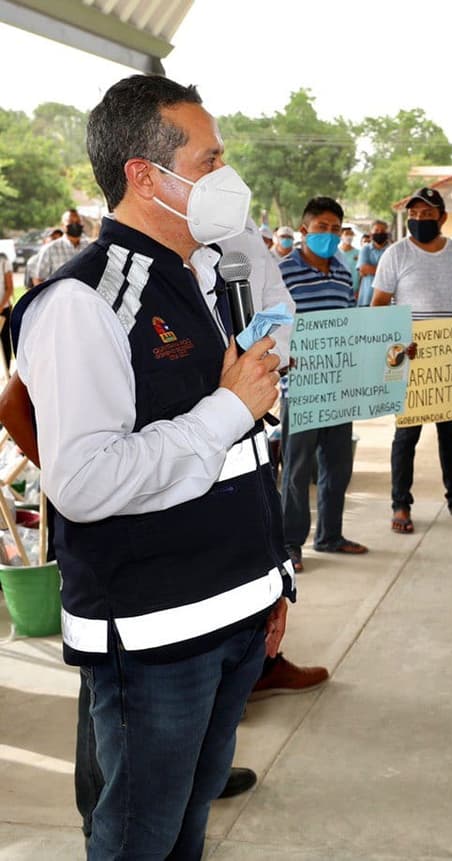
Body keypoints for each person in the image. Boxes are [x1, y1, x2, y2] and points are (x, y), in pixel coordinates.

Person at [11, 73, 294, 861]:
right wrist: (228, 406)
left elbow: (247, 455)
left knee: (187, 828)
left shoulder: (207, 279)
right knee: (139, 837)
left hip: (232, 614)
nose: (225, 179)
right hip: (154, 638)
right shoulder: (85, 302)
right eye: (209, 162)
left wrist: (274, 580)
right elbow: (86, 481)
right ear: (145, 176)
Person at [371, 187, 452, 533]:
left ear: (442, 218)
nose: (420, 220)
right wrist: (395, 343)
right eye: (414, 216)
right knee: (406, 436)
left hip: (451, 357)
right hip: (412, 360)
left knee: (450, 434)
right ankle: (401, 504)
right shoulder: (396, 254)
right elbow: (379, 305)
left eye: (427, 215)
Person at [278, 196, 367, 572]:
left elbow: (352, 324)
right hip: (301, 387)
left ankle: (330, 535)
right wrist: (283, 357)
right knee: (296, 471)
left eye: (335, 229)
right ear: (304, 230)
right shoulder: (282, 272)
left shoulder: (345, 272)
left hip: (339, 386)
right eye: (321, 228)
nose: (328, 236)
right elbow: (270, 325)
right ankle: (290, 544)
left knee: (337, 464)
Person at [31, 209, 90, 285]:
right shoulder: (50, 249)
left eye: (78, 222)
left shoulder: (89, 248)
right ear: (62, 225)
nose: (75, 225)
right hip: (59, 296)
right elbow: (38, 279)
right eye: (71, 222)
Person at [357, 219, 389, 307]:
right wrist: (386, 271)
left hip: (386, 298)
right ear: (371, 233)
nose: (379, 233)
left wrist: (371, 269)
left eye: (382, 231)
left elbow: (395, 271)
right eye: (377, 230)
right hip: (367, 296)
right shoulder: (365, 249)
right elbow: (363, 268)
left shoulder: (392, 250)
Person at [337, 225, 360, 298]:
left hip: (354, 289)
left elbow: (361, 273)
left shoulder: (358, 253)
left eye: (351, 234)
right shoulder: (336, 253)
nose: (349, 236)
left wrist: (358, 290)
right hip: (340, 288)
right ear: (341, 236)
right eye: (346, 234)